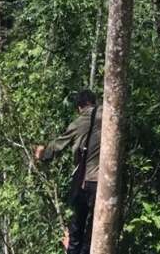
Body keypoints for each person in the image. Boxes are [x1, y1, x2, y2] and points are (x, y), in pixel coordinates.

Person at [35, 90, 100, 254]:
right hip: (106, 183)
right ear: (94, 102)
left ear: (79, 107)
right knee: (93, 232)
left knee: (77, 228)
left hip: (86, 181)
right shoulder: (109, 115)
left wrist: (42, 154)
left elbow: (58, 146)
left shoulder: (80, 121)